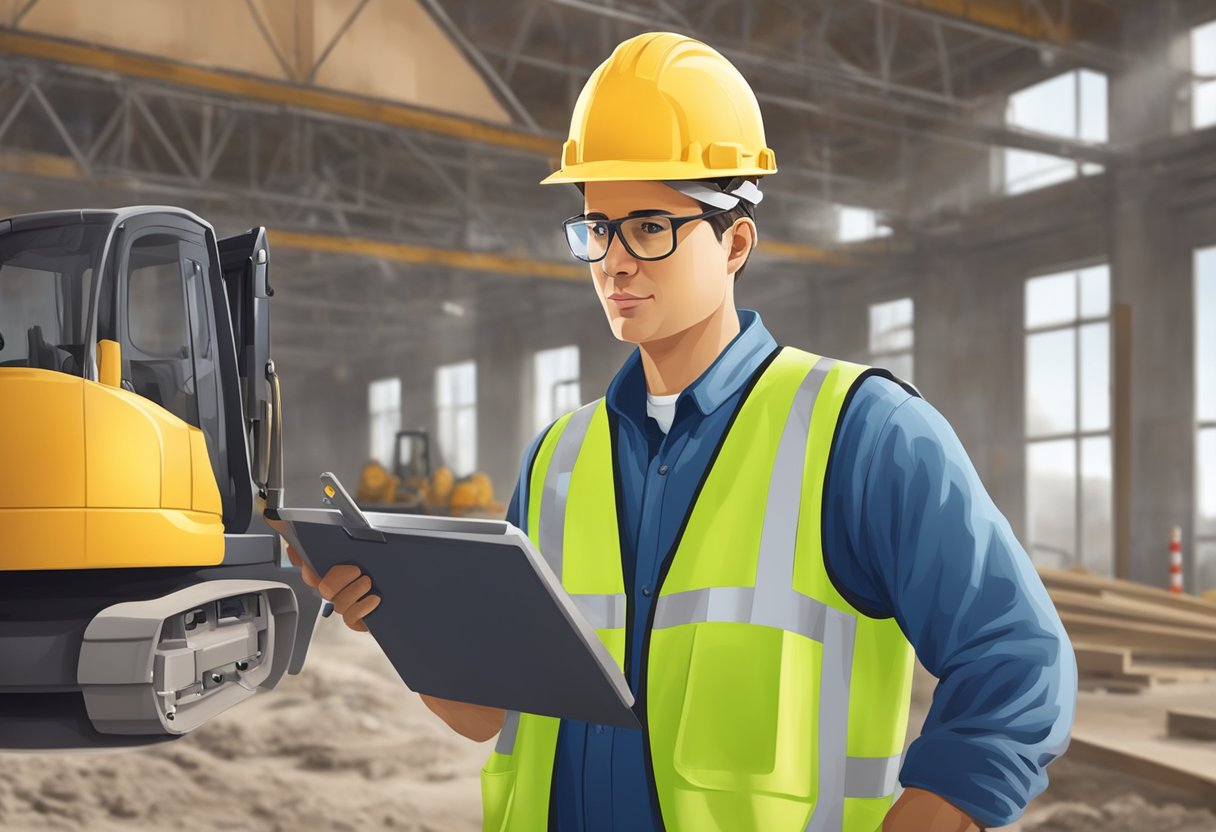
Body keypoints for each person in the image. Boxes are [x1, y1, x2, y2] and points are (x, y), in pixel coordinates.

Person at [276, 32, 1076, 832]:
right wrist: (394, 617)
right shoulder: (558, 458)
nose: (614, 263)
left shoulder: (861, 433)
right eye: (596, 227)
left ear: (735, 241)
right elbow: (489, 714)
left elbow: (1020, 667)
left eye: (649, 226)